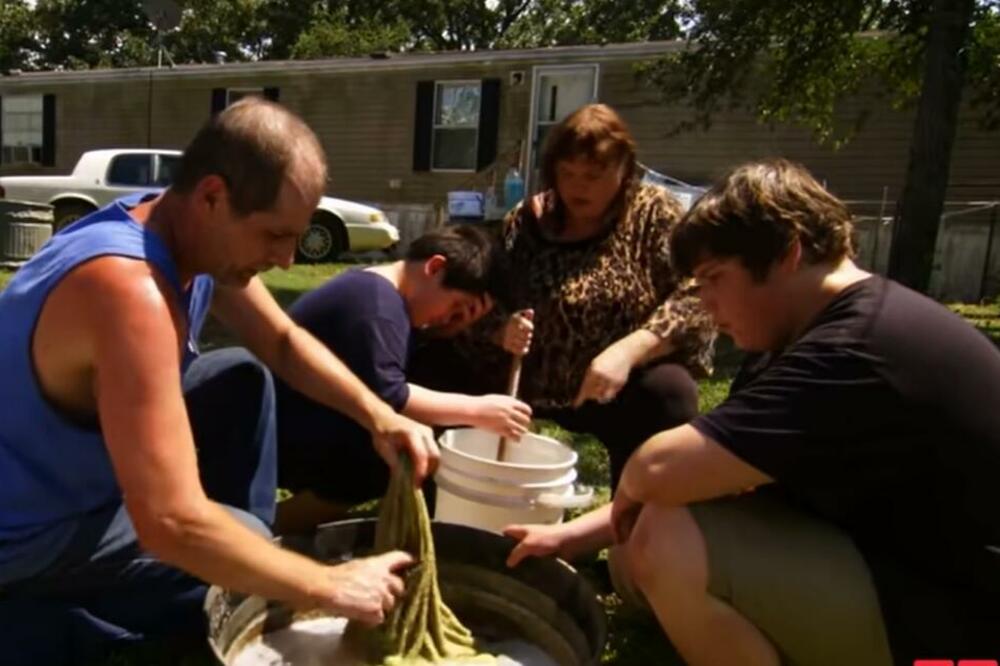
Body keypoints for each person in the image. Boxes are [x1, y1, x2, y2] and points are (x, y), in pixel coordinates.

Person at [0, 98, 438, 665]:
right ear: (211, 196)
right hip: (25, 530)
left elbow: (281, 341)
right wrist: (329, 585)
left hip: (63, 457)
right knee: (232, 548)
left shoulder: (176, 227)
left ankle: (241, 555)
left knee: (240, 375)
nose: (284, 260)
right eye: (274, 236)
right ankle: (195, 599)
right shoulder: (128, 290)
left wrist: (379, 414)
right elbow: (169, 523)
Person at [519, 159, 1000, 665]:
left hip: (960, 618)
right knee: (636, 545)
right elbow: (712, 474)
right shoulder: (804, 333)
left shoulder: (857, 347)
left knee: (663, 540)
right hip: (883, 557)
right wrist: (568, 536)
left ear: (787, 253)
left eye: (714, 279)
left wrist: (635, 499)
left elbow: (657, 469)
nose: (704, 302)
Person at [410, 104, 715, 551]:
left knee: (669, 394)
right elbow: (486, 291)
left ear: (625, 169)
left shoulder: (655, 215)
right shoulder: (528, 219)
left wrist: (628, 352)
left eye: (593, 175)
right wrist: (499, 329)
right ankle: (441, 513)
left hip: (613, 382)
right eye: (567, 173)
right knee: (432, 364)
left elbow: (697, 295)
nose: (578, 187)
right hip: (524, 375)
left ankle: (639, 534)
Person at [274, 225, 532, 532]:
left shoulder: (381, 292)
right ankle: (270, 526)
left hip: (302, 413)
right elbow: (390, 395)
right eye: (455, 308)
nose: (451, 320)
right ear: (434, 267)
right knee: (391, 458)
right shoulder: (378, 309)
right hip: (283, 431)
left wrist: (458, 329)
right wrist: (480, 411)